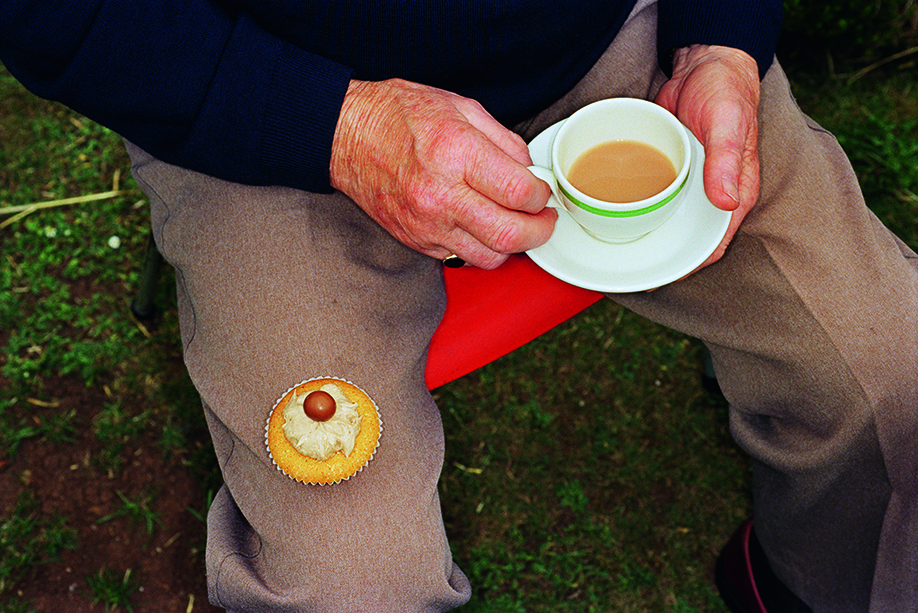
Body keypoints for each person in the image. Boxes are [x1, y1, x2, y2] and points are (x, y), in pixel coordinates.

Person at [2, 1, 916, 611]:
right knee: (351, 585)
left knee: (890, 371)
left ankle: (800, 585)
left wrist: (722, 33)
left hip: (609, 45)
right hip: (267, 109)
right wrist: (336, 126)